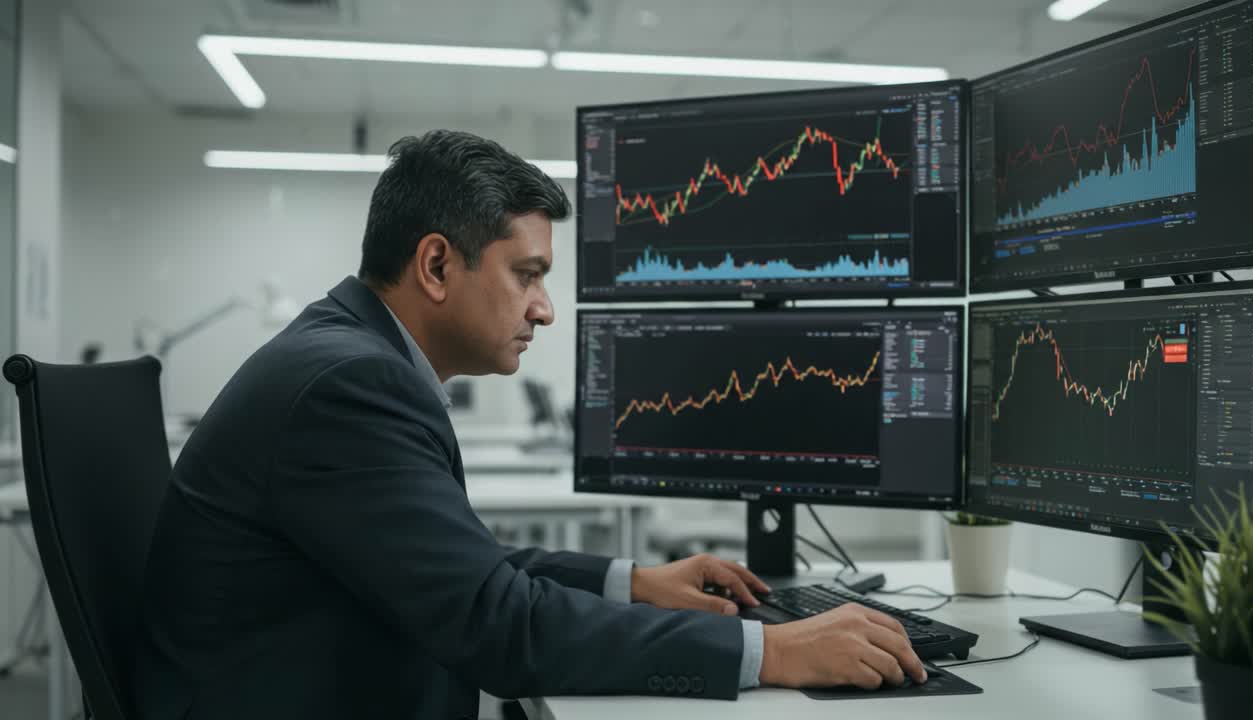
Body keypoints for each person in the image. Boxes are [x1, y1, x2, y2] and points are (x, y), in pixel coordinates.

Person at [133, 129, 926, 720]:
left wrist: (636, 582)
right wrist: (770, 649)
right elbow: (496, 625)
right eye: (528, 276)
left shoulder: (349, 352)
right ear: (437, 265)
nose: (544, 309)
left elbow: (461, 568)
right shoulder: (352, 383)